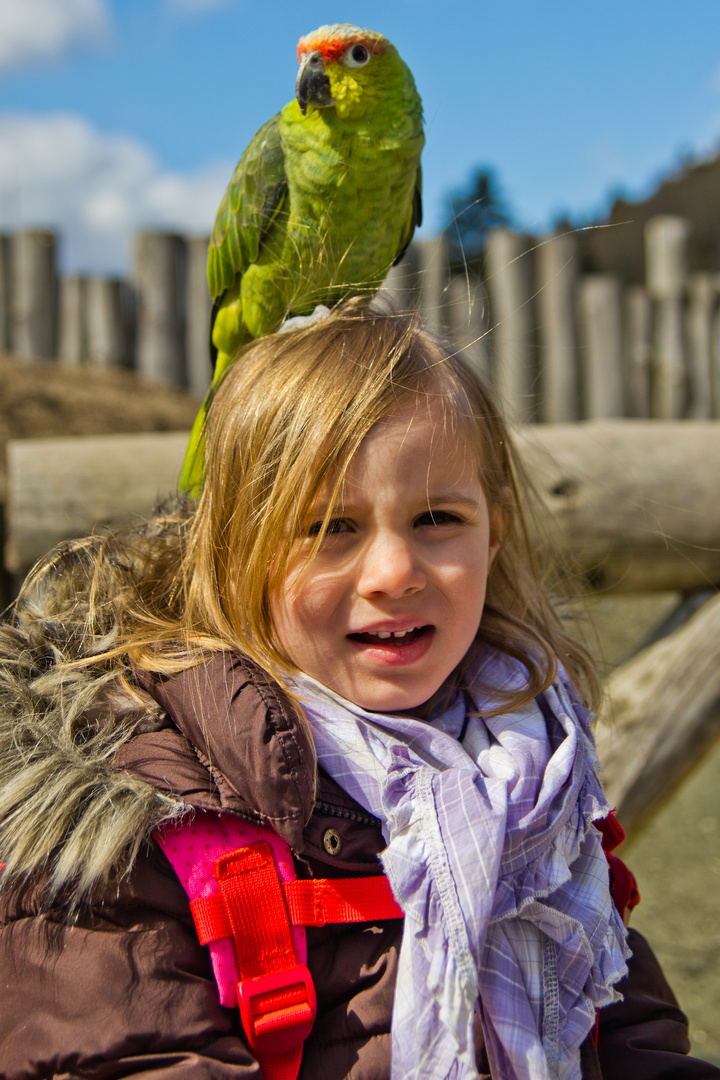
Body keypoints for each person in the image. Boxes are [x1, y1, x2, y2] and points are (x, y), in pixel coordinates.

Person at [0, 299, 715, 1080]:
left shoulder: (539, 793)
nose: (394, 574)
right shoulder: (133, 834)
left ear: (495, 530)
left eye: (437, 517)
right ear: (238, 553)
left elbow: (632, 1039)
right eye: (329, 528)